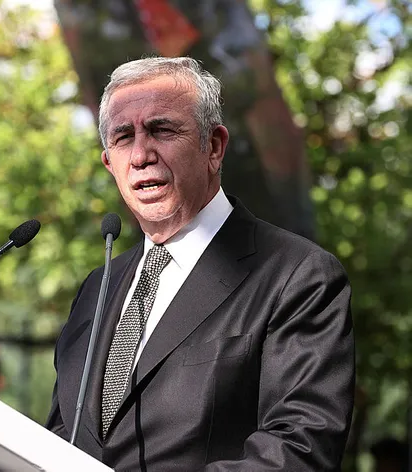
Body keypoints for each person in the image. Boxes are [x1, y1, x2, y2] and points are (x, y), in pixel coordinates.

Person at [46, 56, 355, 471]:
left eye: (161, 130)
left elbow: (300, 449)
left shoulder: (296, 275)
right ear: (109, 163)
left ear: (213, 147)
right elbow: (58, 437)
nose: (140, 155)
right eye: (123, 137)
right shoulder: (96, 287)